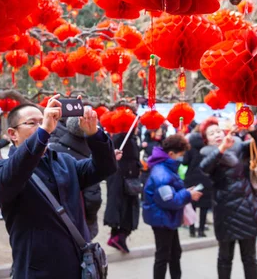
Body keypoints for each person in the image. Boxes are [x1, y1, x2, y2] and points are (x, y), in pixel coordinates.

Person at [0, 96, 117, 279]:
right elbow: (10, 179)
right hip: (38, 271)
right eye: (33, 123)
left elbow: (106, 167)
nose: (43, 126)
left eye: (45, 120)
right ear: (12, 133)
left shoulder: (64, 161)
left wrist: (94, 134)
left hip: (78, 266)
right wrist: (43, 131)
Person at [200, 119, 257, 279]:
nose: (216, 135)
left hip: (246, 205)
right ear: (206, 139)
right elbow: (205, 167)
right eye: (211, 133)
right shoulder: (207, 152)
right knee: (225, 257)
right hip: (224, 209)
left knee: (250, 257)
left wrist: (252, 128)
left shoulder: (238, 144)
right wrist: (222, 148)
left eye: (218, 131)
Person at [144, 134, 202, 279]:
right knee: (163, 256)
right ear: (171, 154)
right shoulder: (162, 174)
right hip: (162, 219)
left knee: (174, 253)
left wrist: (185, 192)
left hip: (166, 217)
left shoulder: (165, 168)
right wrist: (188, 195)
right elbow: (169, 199)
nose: (181, 158)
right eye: (180, 155)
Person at [50, 117, 104, 240]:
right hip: (79, 217)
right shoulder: (87, 156)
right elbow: (92, 197)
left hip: (55, 215)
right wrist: (90, 219)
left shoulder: (52, 149)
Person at [104, 125, 142, 253]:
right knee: (127, 209)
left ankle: (115, 236)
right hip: (125, 180)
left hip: (119, 179)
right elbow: (132, 159)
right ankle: (119, 237)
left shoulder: (119, 138)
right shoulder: (125, 139)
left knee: (119, 208)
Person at [183, 131, 213, 238]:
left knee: (192, 206)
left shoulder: (190, 150)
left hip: (191, 178)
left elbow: (184, 162)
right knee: (204, 207)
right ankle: (201, 230)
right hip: (205, 178)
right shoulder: (206, 149)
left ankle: (191, 230)